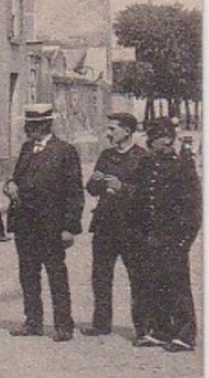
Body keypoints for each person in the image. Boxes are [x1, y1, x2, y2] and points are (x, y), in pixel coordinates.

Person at [5, 103, 85, 342]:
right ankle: (33, 322)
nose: (28, 130)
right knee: (28, 274)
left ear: (45, 125)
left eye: (33, 126)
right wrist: (10, 186)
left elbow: (74, 192)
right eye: (28, 125)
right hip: (25, 223)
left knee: (56, 275)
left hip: (51, 225)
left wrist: (70, 227)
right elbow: (18, 177)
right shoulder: (27, 148)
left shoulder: (64, 151)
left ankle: (63, 325)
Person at [132, 118, 202, 352]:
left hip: (173, 238)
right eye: (152, 140)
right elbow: (141, 200)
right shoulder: (148, 165)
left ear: (169, 140)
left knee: (177, 286)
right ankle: (160, 330)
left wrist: (183, 241)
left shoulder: (182, 166)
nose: (155, 145)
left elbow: (193, 210)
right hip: (151, 236)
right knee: (155, 284)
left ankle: (184, 334)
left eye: (159, 140)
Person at [82, 113, 150, 338]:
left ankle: (143, 328)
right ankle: (101, 324)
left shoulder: (142, 157)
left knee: (138, 278)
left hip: (131, 227)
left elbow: (147, 194)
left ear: (127, 131)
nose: (108, 134)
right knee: (100, 277)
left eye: (112, 129)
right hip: (104, 225)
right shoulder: (106, 155)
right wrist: (98, 182)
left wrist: (122, 188)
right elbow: (92, 187)